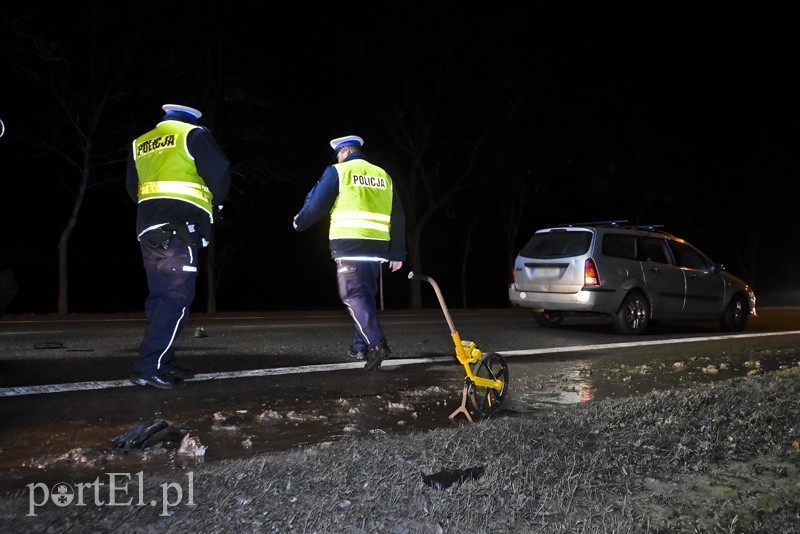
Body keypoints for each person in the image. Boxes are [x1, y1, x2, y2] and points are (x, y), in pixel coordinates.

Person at [126, 103, 231, 389]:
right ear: (190, 119)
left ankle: (164, 361)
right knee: (176, 298)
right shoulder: (194, 135)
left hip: (148, 229)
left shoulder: (141, 142)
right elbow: (220, 172)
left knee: (160, 299)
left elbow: (131, 186)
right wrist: (216, 204)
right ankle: (150, 366)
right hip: (179, 229)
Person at [293, 135, 406, 371]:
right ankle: (359, 346)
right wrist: (397, 253)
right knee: (364, 297)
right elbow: (398, 216)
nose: (338, 158)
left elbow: (317, 204)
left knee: (353, 296)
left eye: (338, 154)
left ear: (344, 152)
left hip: (349, 243)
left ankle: (377, 344)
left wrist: (300, 222)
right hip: (376, 248)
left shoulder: (339, 171)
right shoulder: (383, 175)